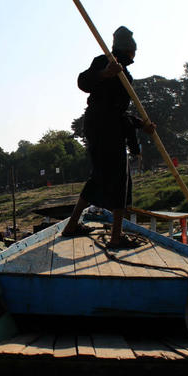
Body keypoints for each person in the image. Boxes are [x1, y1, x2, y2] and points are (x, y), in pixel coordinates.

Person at [61, 26, 155, 248]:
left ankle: (72, 225)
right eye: (133, 50)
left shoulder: (126, 76)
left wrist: (141, 125)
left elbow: (120, 113)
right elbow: (83, 82)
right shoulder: (104, 61)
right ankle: (115, 237)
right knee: (120, 178)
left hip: (107, 126)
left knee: (99, 177)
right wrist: (105, 73)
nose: (135, 53)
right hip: (102, 127)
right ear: (129, 50)